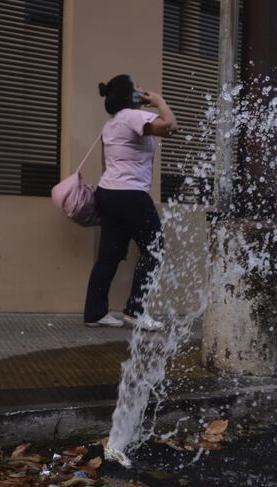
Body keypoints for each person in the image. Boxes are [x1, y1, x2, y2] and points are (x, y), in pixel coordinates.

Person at [83, 74, 178, 331]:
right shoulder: (132, 116)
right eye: (136, 87)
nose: (141, 90)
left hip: (108, 192)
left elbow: (106, 164)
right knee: (155, 248)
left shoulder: (111, 123)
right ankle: (135, 311)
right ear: (130, 96)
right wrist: (159, 101)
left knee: (109, 256)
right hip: (130, 194)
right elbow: (170, 125)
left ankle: (95, 312)